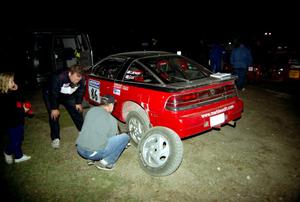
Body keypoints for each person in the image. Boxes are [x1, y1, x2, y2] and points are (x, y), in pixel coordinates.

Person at [76, 94, 130, 170]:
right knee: (125, 137)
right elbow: (111, 139)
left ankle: (91, 159)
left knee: (95, 134)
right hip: (91, 152)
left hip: (80, 149)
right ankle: (107, 163)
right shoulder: (112, 120)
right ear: (111, 105)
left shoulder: (91, 111)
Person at [42, 65, 85, 149]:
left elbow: (81, 90)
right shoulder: (59, 77)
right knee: (54, 115)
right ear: (70, 73)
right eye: (75, 79)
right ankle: (55, 138)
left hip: (67, 94)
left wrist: (78, 102)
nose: (76, 81)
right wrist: (54, 108)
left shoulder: (81, 78)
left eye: (78, 80)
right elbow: (53, 93)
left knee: (77, 110)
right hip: (51, 94)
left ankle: (82, 131)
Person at [0, 72, 31, 164]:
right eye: (11, 81)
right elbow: (10, 111)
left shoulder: (12, 92)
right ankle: (7, 152)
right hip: (11, 122)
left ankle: (18, 156)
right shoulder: (3, 96)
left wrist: (16, 90)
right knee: (15, 140)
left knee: (20, 138)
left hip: (19, 120)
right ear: (5, 83)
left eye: (13, 81)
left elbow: (21, 99)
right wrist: (23, 110)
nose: (13, 83)